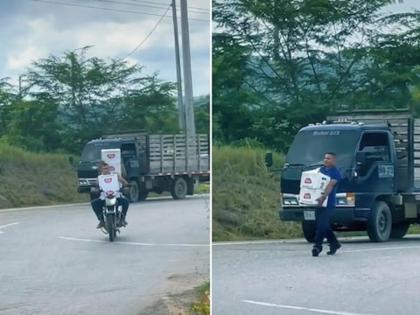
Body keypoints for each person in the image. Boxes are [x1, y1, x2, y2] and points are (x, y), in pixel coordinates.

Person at [312, 152, 342, 257]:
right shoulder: (321, 170)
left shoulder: (336, 173)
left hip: (328, 203)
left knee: (322, 225)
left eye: (328, 158)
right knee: (323, 225)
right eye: (325, 158)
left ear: (334, 161)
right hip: (317, 202)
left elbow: (330, 185)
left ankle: (317, 246)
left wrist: (323, 197)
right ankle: (334, 244)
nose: (325, 160)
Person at [91, 161, 130, 229]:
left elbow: (124, 182)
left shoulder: (115, 175)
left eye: (107, 168)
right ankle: (101, 221)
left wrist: (127, 186)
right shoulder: (99, 178)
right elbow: (95, 186)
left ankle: (122, 219)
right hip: (104, 197)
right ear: (101, 170)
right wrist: (94, 189)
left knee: (126, 201)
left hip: (116, 196)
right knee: (94, 203)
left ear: (109, 168)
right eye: (104, 168)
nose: (106, 170)